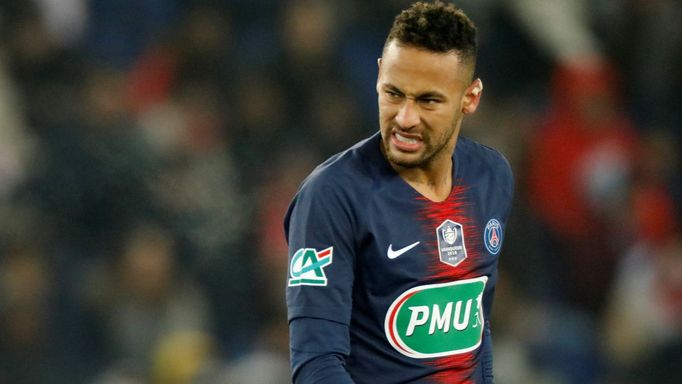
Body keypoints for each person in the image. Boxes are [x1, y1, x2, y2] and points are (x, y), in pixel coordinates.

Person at [284, 1, 514, 383]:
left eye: (428, 100)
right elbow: (316, 364)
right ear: (378, 76)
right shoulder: (332, 195)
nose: (405, 118)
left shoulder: (490, 177)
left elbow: (476, 333)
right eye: (393, 94)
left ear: (469, 99)